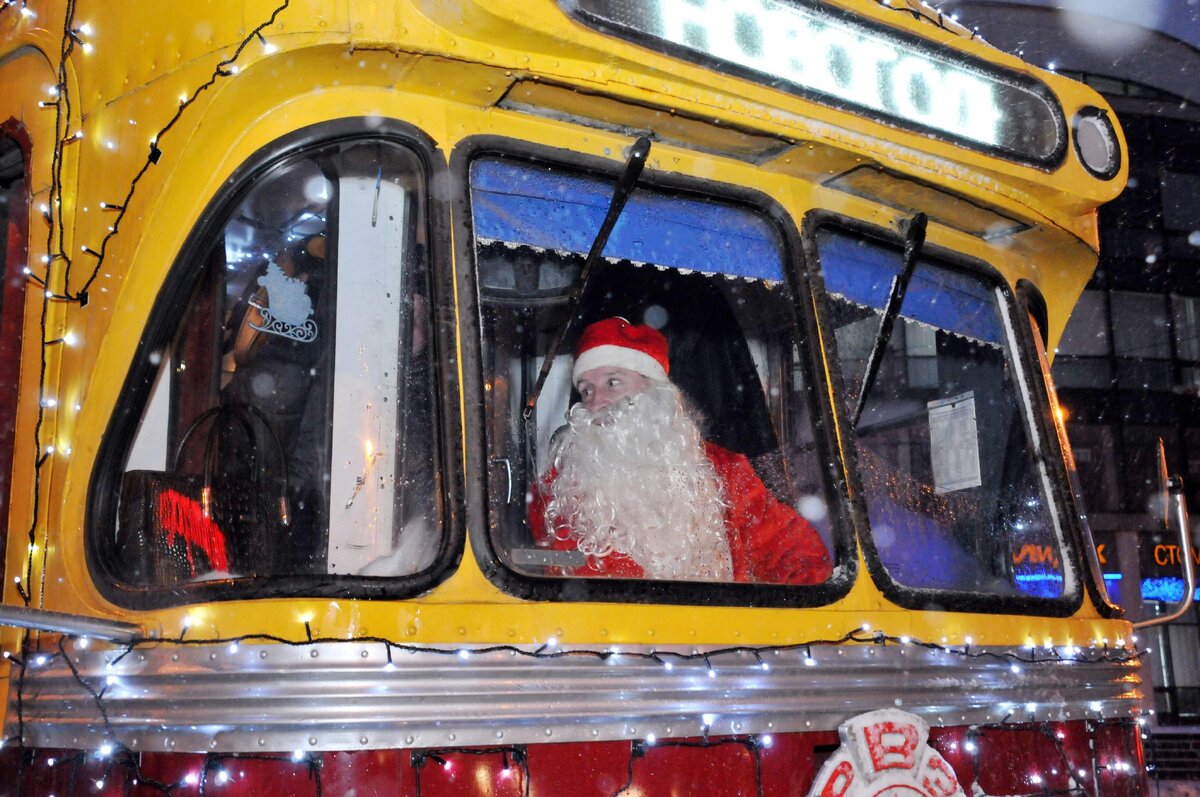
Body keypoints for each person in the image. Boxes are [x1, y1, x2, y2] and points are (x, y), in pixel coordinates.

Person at [528, 316, 833, 585]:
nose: (595, 403)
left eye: (613, 382)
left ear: (654, 393)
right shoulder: (559, 492)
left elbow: (796, 553)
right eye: (587, 389)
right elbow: (574, 593)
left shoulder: (724, 470)